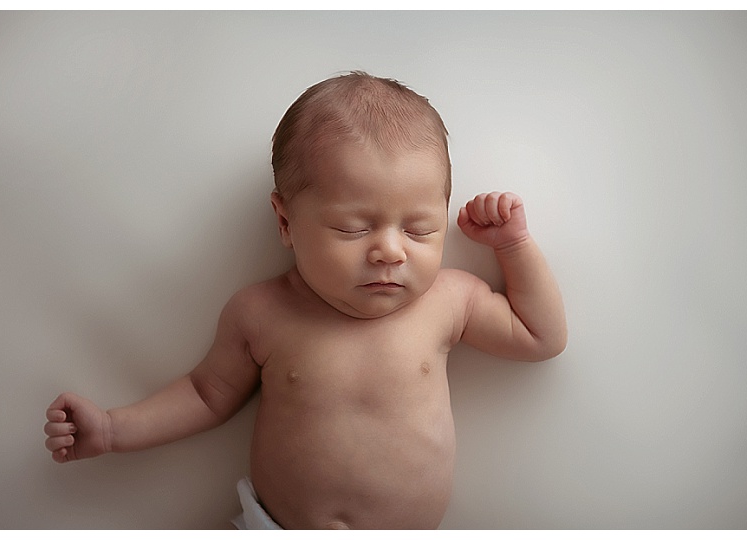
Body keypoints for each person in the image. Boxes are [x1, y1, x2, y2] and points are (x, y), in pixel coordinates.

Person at [44, 71, 567, 530]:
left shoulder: (449, 301)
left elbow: (540, 337)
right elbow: (206, 395)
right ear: (286, 222)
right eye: (353, 228)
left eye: (419, 228)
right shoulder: (262, 312)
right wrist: (113, 429)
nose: (389, 250)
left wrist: (513, 247)